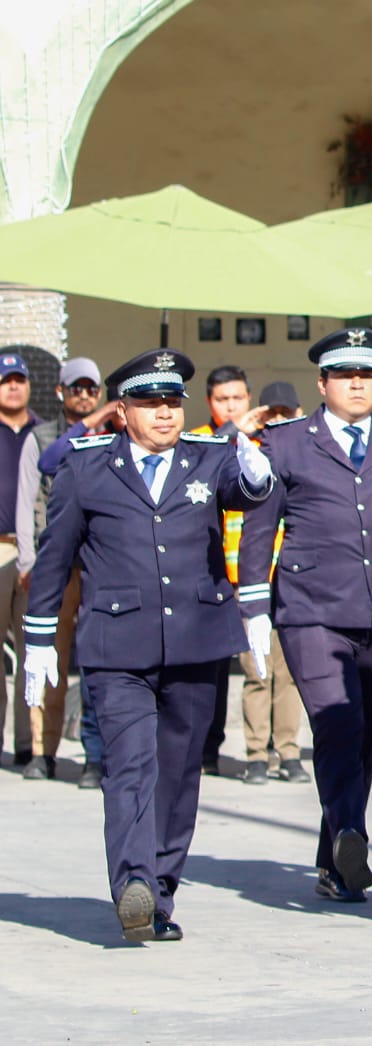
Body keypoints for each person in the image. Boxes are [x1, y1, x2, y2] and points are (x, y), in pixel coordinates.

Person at [21, 349, 274, 941]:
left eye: (171, 403)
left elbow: (246, 491)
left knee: (180, 773)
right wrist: (38, 640)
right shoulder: (86, 468)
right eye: (150, 403)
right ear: (124, 409)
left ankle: (159, 892)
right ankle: (133, 883)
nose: (164, 414)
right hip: (117, 645)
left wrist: (258, 471)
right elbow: (56, 557)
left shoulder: (209, 458)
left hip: (195, 639)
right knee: (130, 766)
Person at [239, 329, 372, 903]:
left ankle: (335, 857)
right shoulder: (288, 442)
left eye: (367, 375)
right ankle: (351, 831)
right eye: (345, 375)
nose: (358, 384)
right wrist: (252, 603)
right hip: (311, 609)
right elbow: (260, 526)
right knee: (337, 723)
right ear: (322, 383)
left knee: (366, 735)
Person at [17, 356, 114, 782]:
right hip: (55, 565)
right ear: (61, 391)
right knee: (48, 660)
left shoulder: (116, 433)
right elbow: (32, 492)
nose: (84, 395)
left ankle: (95, 756)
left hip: (98, 565)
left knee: (95, 663)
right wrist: (26, 561)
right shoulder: (45, 435)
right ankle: (43, 751)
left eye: (91, 388)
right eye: (76, 388)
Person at [234, 380, 308, 785]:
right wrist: (239, 433)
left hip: (295, 583)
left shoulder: (306, 455)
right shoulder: (245, 454)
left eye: (286, 413)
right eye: (270, 414)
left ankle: (289, 751)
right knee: (256, 669)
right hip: (252, 581)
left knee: (290, 672)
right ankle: (256, 754)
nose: (278, 420)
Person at [192, 364, 253, 776]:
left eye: (237, 398)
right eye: (222, 399)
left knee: (251, 666)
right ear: (209, 402)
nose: (230, 406)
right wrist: (232, 432)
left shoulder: (264, 437)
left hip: (256, 571)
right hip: (210, 571)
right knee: (205, 665)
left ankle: (255, 748)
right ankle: (203, 750)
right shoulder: (198, 440)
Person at [0, 351, 38, 767]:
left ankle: (30, 746)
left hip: (31, 553)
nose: (13, 386)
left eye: (18, 379)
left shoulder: (42, 435)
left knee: (32, 650)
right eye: (5, 380)